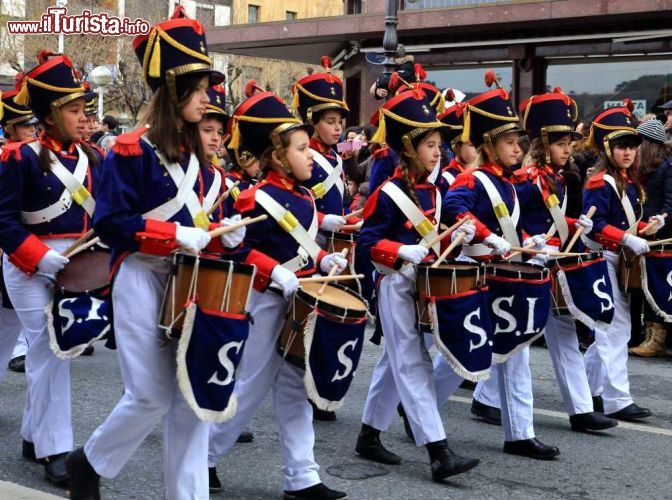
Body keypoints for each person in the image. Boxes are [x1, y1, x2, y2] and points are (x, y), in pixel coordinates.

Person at [65, 7, 245, 499]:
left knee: (191, 399)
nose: (208, 98)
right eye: (200, 88)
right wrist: (170, 236)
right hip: (142, 275)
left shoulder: (207, 164)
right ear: (175, 90)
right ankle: (91, 461)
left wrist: (229, 235)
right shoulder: (131, 149)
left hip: (193, 282)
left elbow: (211, 218)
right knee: (148, 395)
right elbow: (111, 224)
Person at [207, 90, 349, 500]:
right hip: (266, 300)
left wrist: (324, 260)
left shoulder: (304, 196)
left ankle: (302, 477)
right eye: (302, 149)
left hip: (300, 299)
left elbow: (306, 244)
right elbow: (236, 248)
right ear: (277, 156)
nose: (310, 157)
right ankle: (204, 453)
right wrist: (274, 272)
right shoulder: (254, 197)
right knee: (251, 385)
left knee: (295, 388)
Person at [355, 87, 479, 481]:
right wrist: (398, 251)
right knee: (412, 364)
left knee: (397, 363)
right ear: (408, 147)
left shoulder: (436, 189)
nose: (438, 151)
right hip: (394, 285)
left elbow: (436, 236)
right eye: (429, 144)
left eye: (439, 144)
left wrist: (462, 232)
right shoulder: (386, 193)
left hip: (423, 284)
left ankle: (369, 435)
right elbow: (367, 242)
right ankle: (438, 451)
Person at [435, 71, 561, 460]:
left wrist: (532, 243)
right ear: (488, 145)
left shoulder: (510, 183)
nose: (517, 149)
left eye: (518, 143)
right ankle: (419, 406)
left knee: (515, 351)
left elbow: (515, 227)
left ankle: (520, 433)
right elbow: (454, 215)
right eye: (509, 142)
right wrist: (484, 235)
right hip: (477, 277)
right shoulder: (470, 182)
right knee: (464, 354)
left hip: (506, 278)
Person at [0, 50, 102, 485]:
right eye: (75, 110)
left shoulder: (95, 158)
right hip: (28, 265)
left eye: (84, 110)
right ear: (50, 114)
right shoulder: (18, 157)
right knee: (50, 348)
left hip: (76, 265)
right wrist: (39, 258)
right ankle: (55, 448)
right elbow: (2, 219)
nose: (84, 118)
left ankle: (32, 434)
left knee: (56, 349)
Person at [511, 89, 618, 432]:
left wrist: (575, 225)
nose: (567, 150)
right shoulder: (524, 181)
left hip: (554, 266)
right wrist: (531, 242)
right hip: (528, 266)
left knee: (565, 333)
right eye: (561, 144)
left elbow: (553, 222)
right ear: (542, 144)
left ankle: (581, 409)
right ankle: (483, 399)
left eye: (569, 144)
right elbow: (513, 224)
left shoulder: (557, 179)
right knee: (514, 341)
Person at [582, 100, 665, 421]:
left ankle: (590, 391)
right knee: (615, 330)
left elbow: (626, 221)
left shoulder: (626, 181)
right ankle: (617, 399)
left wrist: (646, 227)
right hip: (602, 259)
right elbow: (598, 224)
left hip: (619, 258)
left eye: (633, 145)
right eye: (621, 147)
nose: (629, 152)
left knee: (611, 329)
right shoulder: (599, 182)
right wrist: (629, 237)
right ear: (607, 148)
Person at [0, 80, 37, 378]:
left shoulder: (37, 156)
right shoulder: (8, 157)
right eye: (26, 126)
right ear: (10, 128)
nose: (33, 131)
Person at [629, 118, 672, 357]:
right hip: (645, 236)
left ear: (650, 144)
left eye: (639, 143)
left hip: (661, 238)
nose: (634, 149)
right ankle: (645, 336)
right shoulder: (644, 169)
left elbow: (670, 203)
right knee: (643, 288)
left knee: (657, 289)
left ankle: (657, 340)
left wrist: (660, 222)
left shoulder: (668, 166)